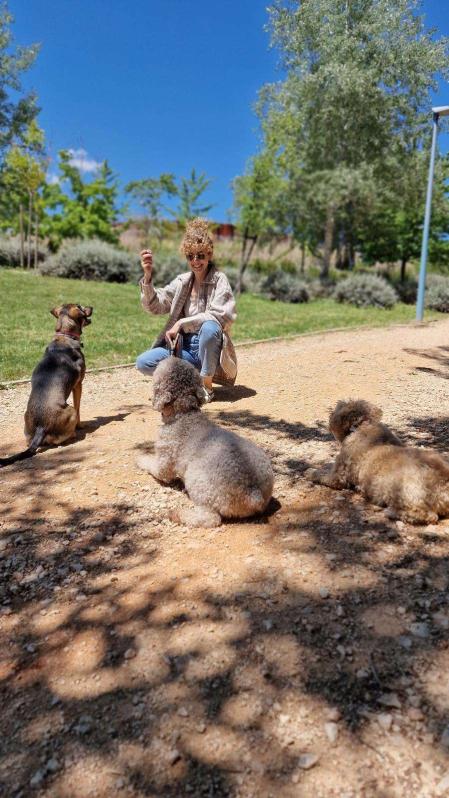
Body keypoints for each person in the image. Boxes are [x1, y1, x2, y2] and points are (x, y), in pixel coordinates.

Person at [136, 218, 237, 401]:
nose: (196, 261)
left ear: (209, 254)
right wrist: (148, 277)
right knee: (144, 362)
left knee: (209, 327)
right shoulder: (183, 281)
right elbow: (156, 305)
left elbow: (221, 317)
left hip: (210, 347)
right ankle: (190, 381)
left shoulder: (219, 280)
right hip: (184, 349)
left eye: (200, 255)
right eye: (190, 256)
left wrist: (182, 322)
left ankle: (207, 385)